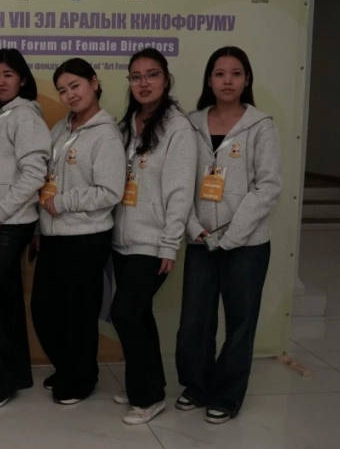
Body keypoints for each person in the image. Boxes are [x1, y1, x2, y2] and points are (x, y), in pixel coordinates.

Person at [176, 46, 282, 424]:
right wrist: (194, 227)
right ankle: (197, 386)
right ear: (209, 80)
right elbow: (179, 182)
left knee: (240, 322)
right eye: (219, 74)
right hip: (200, 239)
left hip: (247, 245)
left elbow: (268, 186)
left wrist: (232, 236)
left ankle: (227, 395)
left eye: (236, 74)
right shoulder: (190, 124)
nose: (227, 81)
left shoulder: (261, 125)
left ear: (246, 79)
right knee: (196, 320)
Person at [30, 58, 125, 405]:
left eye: (75, 86)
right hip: (53, 235)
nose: (69, 94)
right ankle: (68, 366)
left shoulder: (106, 134)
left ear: (94, 83)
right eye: (62, 90)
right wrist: (40, 226)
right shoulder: (60, 129)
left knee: (78, 313)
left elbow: (110, 191)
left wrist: (64, 202)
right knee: (44, 308)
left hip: (86, 236)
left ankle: (82, 378)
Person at [110, 48, 197, 425]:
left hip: (153, 239)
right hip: (121, 239)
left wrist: (169, 244)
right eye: (136, 76)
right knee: (139, 314)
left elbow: (180, 191)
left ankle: (148, 398)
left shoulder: (178, 128)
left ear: (166, 79)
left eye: (152, 75)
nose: (143, 83)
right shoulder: (126, 124)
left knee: (125, 313)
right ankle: (144, 383)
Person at [0, 48, 51, 411]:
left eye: (8, 74)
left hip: (11, 223)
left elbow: (35, 174)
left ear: (22, 80)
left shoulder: (25, 116)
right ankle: (15, 373)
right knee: (7, 296)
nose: (0, 81)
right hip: (1, 223)